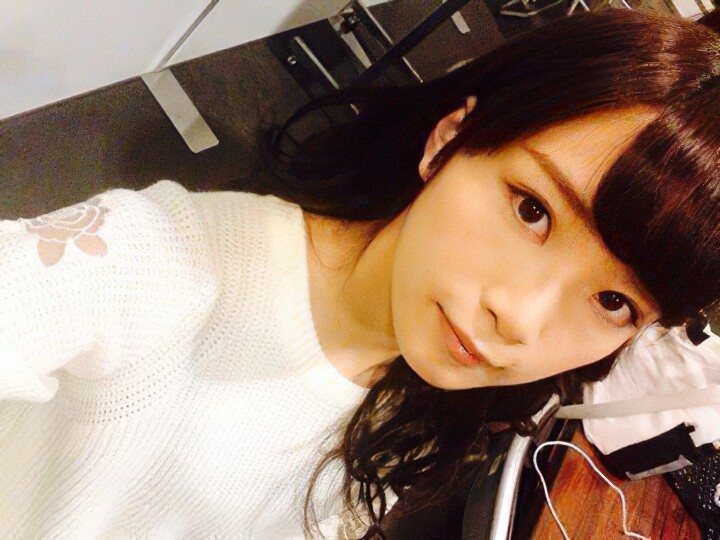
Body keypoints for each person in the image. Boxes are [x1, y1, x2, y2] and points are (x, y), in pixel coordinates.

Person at [0, 8, 718, 540]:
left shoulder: (420, 402)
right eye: (532, 210)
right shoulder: (156, 267)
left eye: (613, 301)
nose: (521, 320)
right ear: (450, 140)